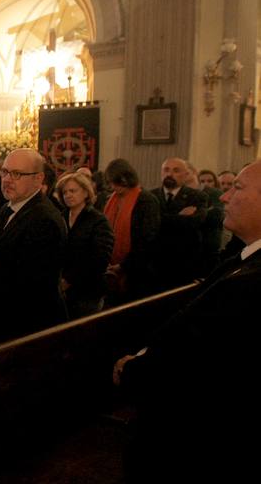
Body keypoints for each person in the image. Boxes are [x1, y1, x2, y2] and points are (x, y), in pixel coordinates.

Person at [112, 160, 261, 482]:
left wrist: (136, 368)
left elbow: (196, 360)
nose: (223, 197)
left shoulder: (250, 282)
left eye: (238, 188)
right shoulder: (244, 259)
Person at [0, 149, 67, 344]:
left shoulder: (44, 220)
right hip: (1, 321)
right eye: (5, 172)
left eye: (17, 174)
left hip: (26, 330)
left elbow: (25, 287)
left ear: (38, 179)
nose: (7, 179)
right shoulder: (8, 207)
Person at [101, 159, 161, 303]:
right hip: (110, 266)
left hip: (137, 270)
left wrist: (123, 266)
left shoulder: (146, 200)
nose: (114, 186)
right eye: (112, 182)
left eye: (118, 181)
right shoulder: (111, 200)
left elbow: (147, 239)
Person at [55, 171, 114, 318]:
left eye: (73, 191)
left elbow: (100, 258)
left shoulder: (98, 220)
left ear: (86, 193)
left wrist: (69, 280)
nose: (68, 195)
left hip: (88, 291)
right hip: (61, 289)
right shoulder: (60, 217)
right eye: (65, 192)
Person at [150, 157, 208, 290]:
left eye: (176, 170)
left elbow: (195, 222)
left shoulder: (197, 196)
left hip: (184, 260)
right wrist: (179, 217)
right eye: (166, 170)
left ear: (186, 175)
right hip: (155, 260)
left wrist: (162, 219)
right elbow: (150, 224)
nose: (169, 174)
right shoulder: (150, 196)